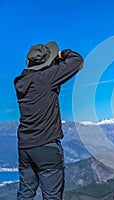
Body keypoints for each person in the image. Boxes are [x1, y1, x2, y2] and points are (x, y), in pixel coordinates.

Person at [14, 41, 83, 199]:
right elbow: (77, 60)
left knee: (25, 192)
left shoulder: (21, 82)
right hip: (47, 146)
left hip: (25, 146)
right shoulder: (45, 78)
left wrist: (51, 65)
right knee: (52, 195)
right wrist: (63, 54)